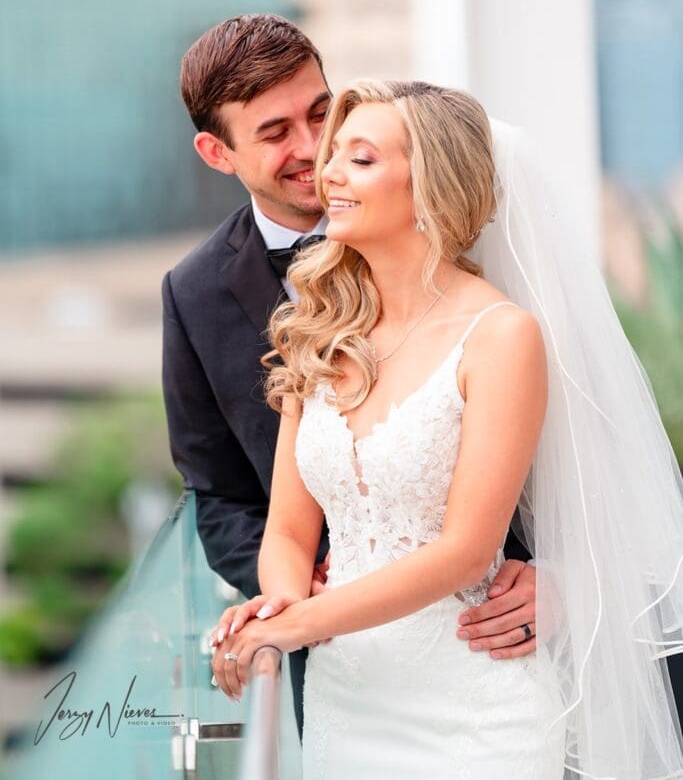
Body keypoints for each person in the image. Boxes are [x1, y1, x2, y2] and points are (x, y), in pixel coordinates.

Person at [210, 80, 683, 779]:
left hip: (474, 715)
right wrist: (273, 609)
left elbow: (466, 550)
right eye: (334, 153)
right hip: (347, 703)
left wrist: (299, 623)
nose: (327, 171)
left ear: (430, 185)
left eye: (359, 158)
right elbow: (286, 530)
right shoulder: (318, 330)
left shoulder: (499, 336)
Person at [162, 16, 537, 736]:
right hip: (340, 676)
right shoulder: (203, 295)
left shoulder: (490, 246)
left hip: (481, 651)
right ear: (217, 152)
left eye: (320, 114)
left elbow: (592, 457)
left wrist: (564, 576)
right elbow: (220, 491)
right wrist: (289, 603)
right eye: (275, 134)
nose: (315, 153)